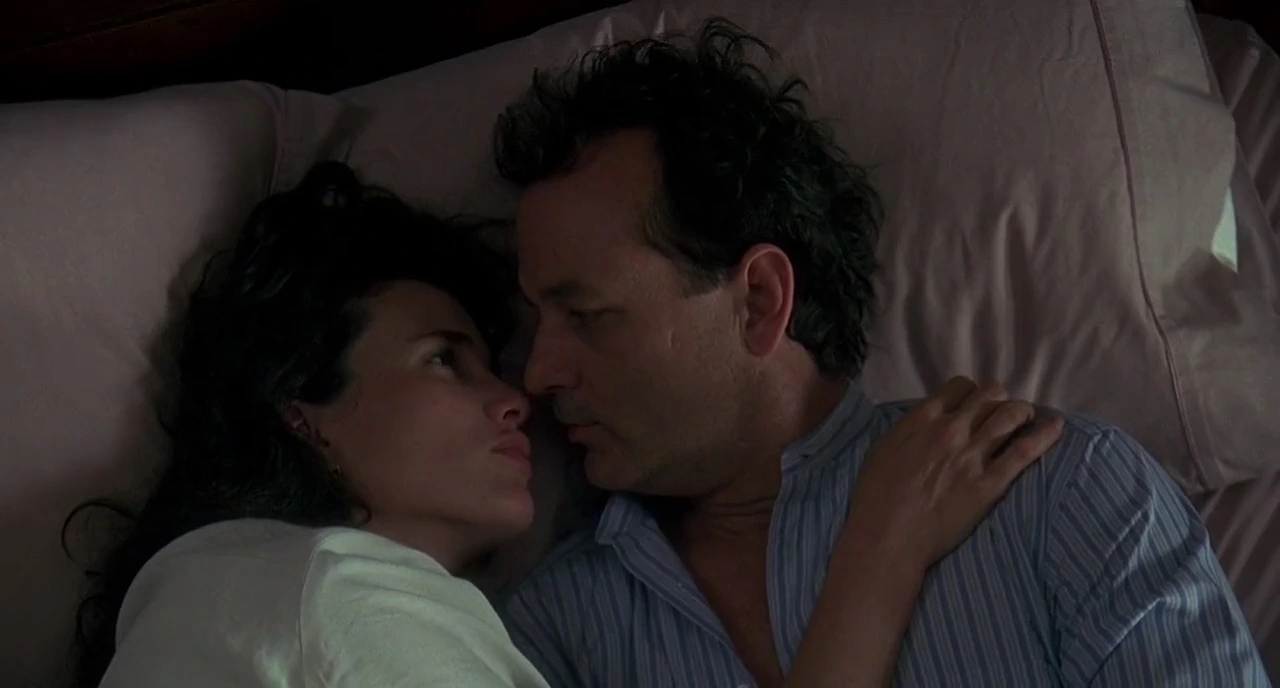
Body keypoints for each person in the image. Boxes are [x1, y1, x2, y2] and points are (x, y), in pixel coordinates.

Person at [66, 161, 1057, 687]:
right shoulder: (330, 599)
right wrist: (878, 555)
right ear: (301, 411)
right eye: (443, 359)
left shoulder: (265, 601)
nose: (520, 394)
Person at [492, 18, 1270, 687]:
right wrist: (876, 564)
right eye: (539, 322)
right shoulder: (543, 637)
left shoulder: (1063, 494)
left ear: (758, 301)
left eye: (587, 316)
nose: (537, 374)